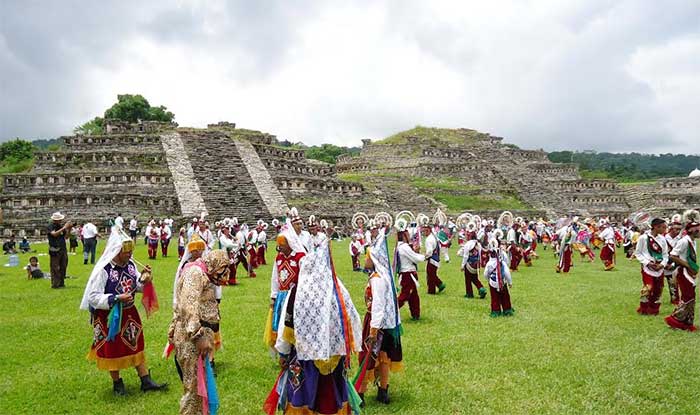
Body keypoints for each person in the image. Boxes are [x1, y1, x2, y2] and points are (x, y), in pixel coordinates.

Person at [266, 222, 362, 415]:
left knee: (304, 398)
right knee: (330, 398)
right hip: (334, 357)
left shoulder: (297, 294)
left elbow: (287, 327)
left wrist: (284, 354)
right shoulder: (338, 290)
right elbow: (352, 319)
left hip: (304, 359)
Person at [79, 227, 166, 395]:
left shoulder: (131, 265)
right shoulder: (104, 270)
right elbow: (93, 297)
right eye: (126, 252)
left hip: (129, 313)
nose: (129, 254)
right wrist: (116, 298)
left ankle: (145, 379)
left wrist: (145, 279)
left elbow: (136, 287)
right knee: (113, 348)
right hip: (109, 316)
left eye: (130, 251)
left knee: (135, 342)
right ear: (116, 251)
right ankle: (117, 384)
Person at [169, 249, 229, 414]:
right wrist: (199, 336)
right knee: (193, 391)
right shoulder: (195, 273)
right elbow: (189, 306)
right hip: (191, 341)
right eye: (221, 270)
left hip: (196, 339)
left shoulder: (203, 273)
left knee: (200, 388)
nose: (222, 275)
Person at [358, 242, 403, 406]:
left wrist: (373, 330)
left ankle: (360, 394)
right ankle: (383, 391)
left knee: (367, 357)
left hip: (375, 322)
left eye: (367, 256)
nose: (365, 259)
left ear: (374, 259)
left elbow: (378, 306)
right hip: (387, 323)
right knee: (383, 356)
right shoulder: (385, 276)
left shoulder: (377, 279)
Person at [264, 232, 306, 350]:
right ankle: (283, 351)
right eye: (279, 244)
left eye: (282, 244)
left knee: (293, 323)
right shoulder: (279, 258)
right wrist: (273, 296)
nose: (279, 246)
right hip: (282, 296)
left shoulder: (300, 257)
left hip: (295, 297)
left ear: (289, 244)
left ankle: (295, 350)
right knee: (280, 324)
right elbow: (275, 278)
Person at [664, 210, 700, 331]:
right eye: (698, 230)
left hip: (689, 272)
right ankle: (676, 320)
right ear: (692, 230)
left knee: (691, 296)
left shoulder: (692, 241)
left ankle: (687, 322)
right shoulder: (684, 241)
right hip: (683, 272)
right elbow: (673, 255)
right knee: (687, 296)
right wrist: (687, 265)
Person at [634, 218, 669, 315]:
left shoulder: (662, 239)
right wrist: (647, 263)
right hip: (647, 267)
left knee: (659, 288)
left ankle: (654, 309)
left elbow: (665, 255)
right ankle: (644, 308)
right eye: (663, 227)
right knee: (648, 287)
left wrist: (662, 265)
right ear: (655, 227)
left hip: (659, 267)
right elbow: (638, 253)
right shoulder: (643, 238)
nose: (665, 229)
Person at [484, 239, 514, 317]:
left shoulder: (489, 264)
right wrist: (510, 282)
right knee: (505, 296)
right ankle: (507, 309)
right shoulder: (502, 263)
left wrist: (488, 279)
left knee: (494, 298)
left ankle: (496, 311)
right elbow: (507, 273)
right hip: (502, 282)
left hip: (493, 283)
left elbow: (485, 274)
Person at [48, 212, 71, 288]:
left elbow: (66, 237)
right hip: (55, 249)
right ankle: (55, 284)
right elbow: (54, 234)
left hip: (63, 248)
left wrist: (69, 229)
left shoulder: (60, 226)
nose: (61, 221)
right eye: (59, 219)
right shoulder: (50, 226)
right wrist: (64, 227)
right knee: (55, 267)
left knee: (63, 265)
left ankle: (61, 282)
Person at [422, 221, 446, 294]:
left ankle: (431, 290)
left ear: (428, 230)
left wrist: (425, 257)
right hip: (436, 258)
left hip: (432, 259)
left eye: (424, 231)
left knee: (430, 275)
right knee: (432, 274)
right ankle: (440, 284)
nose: (423, 233)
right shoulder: (433, 237)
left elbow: (429, 251)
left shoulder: (429, 240)